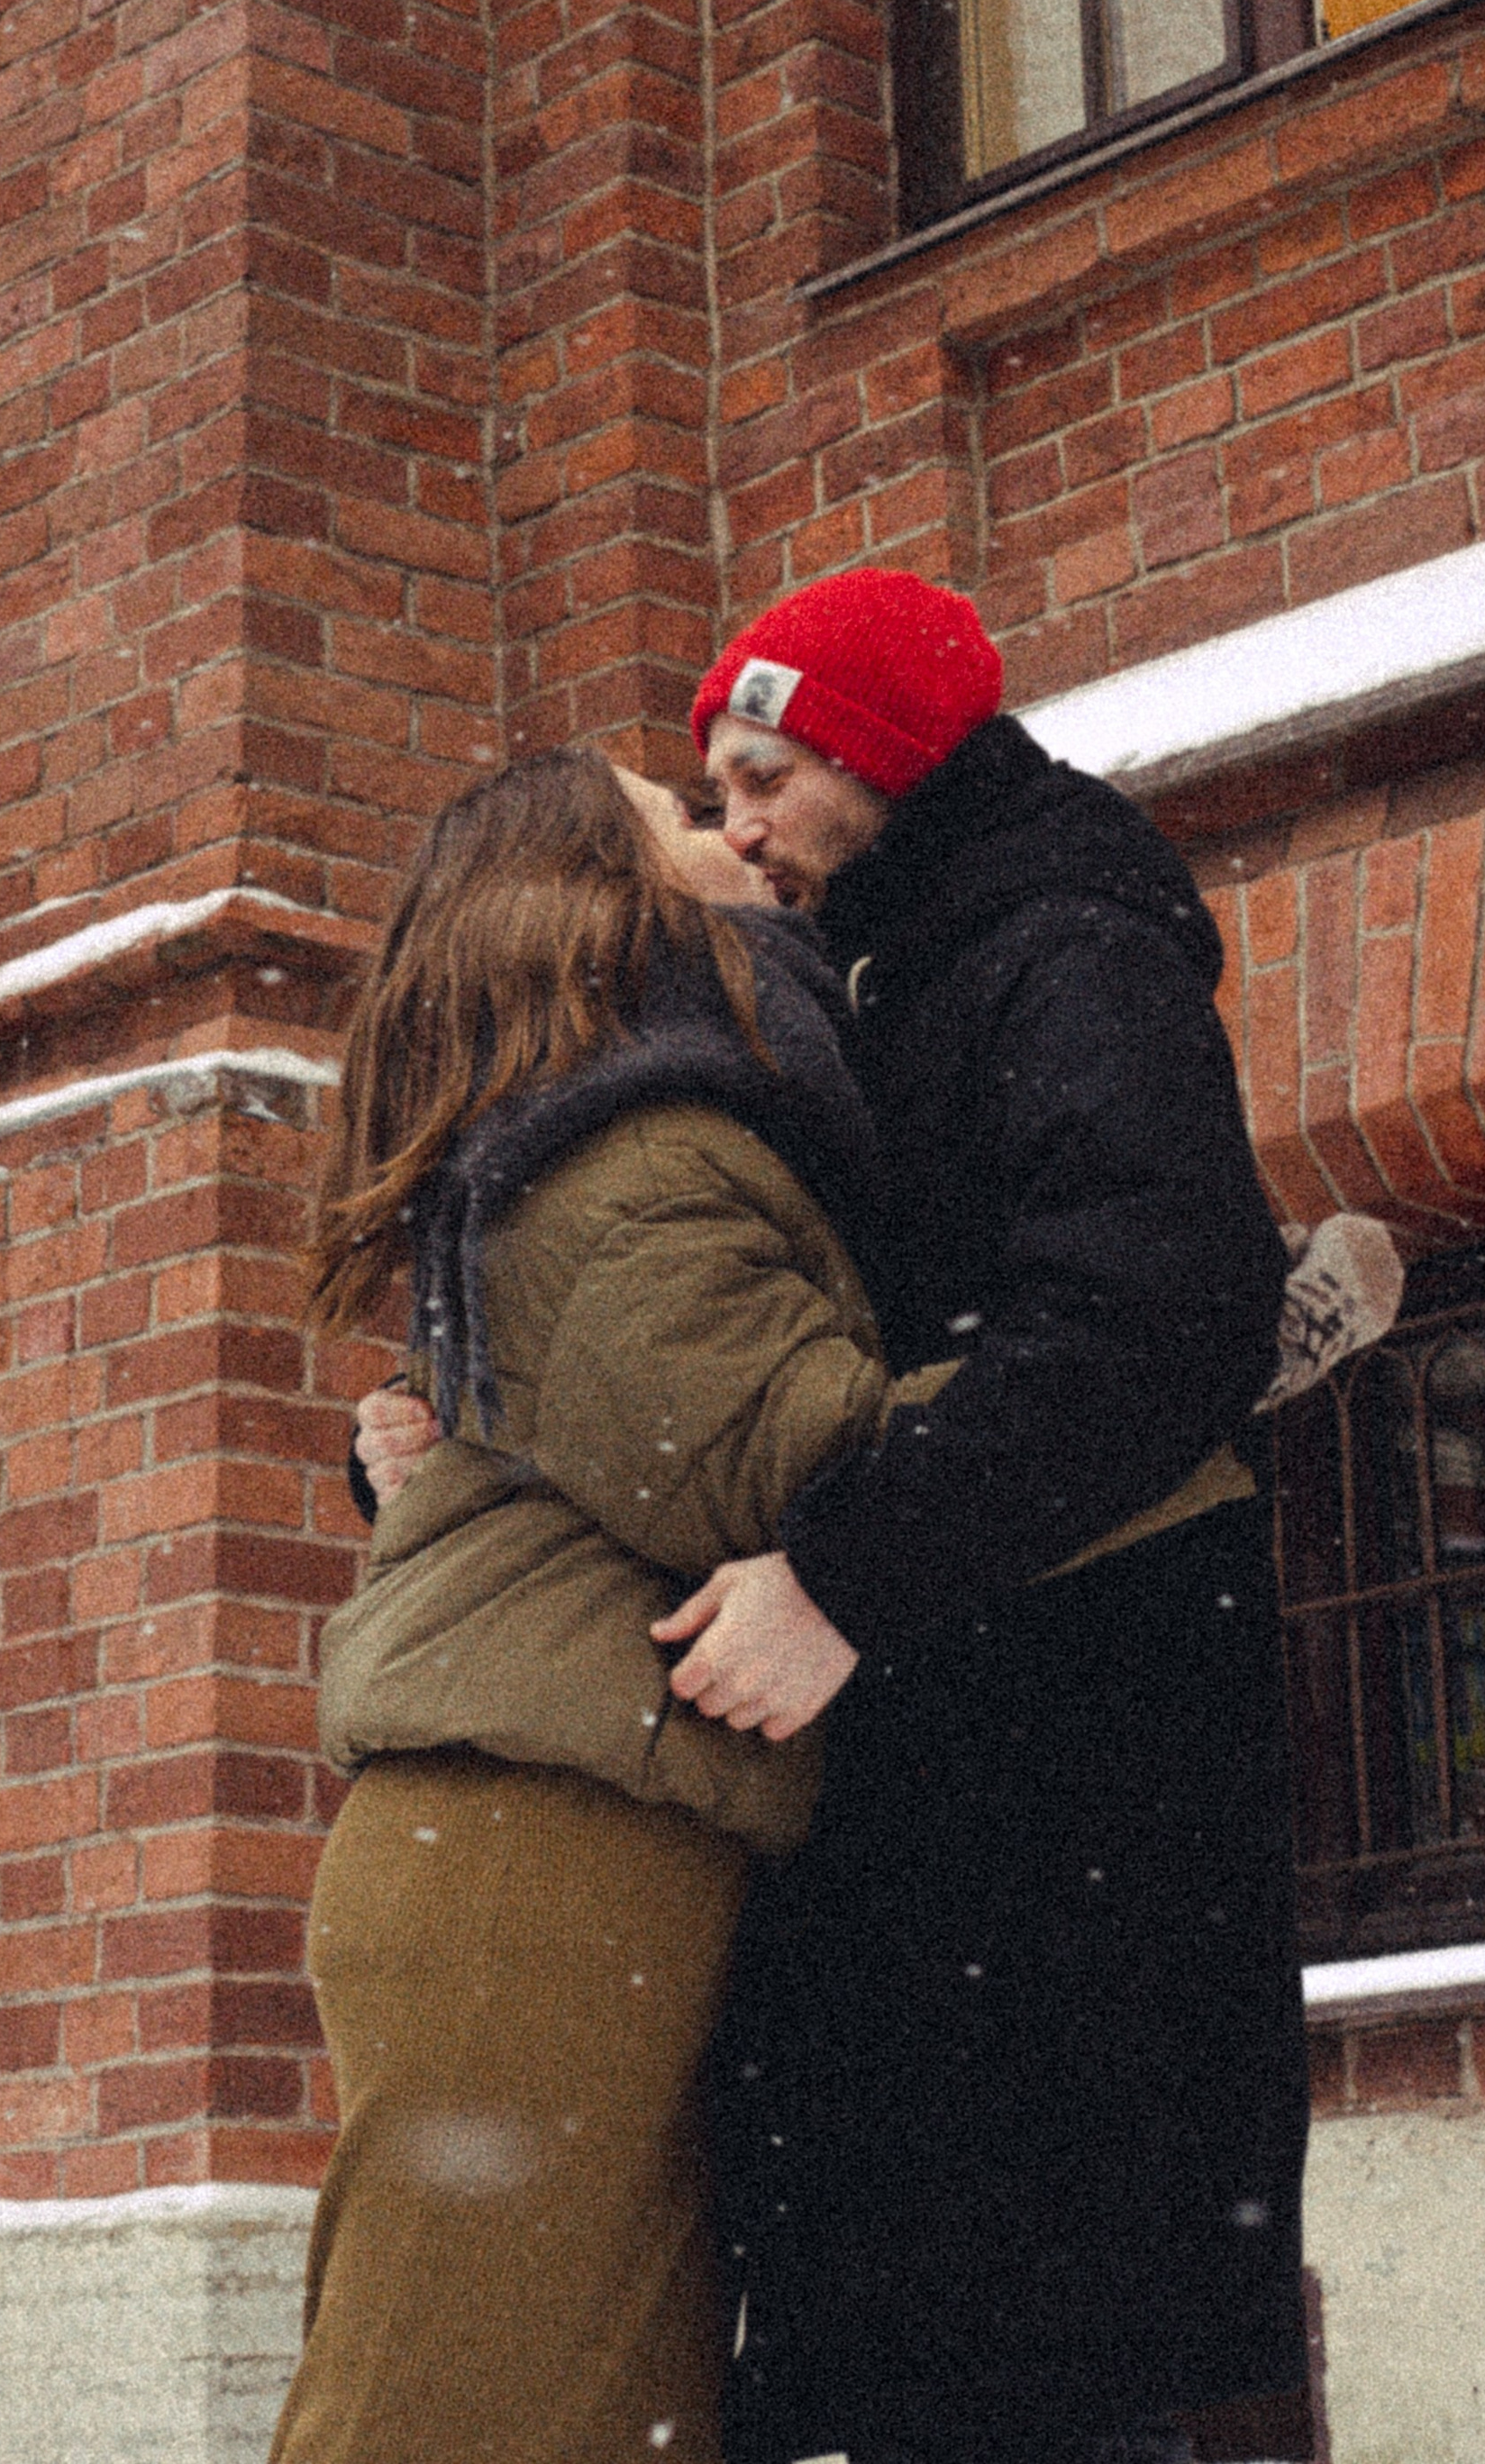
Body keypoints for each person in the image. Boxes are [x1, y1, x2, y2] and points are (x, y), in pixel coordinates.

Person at [670, 569, 1312, 2464]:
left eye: (766, 773)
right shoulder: (911, 960)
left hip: (1069, 1792)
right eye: (717, 789)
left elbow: (1153, 1314)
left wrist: (842, 1582)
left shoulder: (1056, 954)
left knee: (1043, 2364)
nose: (739, 829)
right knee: (975, 2357)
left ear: (880, 756)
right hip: (987, 1788)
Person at [271, 745, 931, 2464]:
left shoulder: (591, 1131)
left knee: (586, 2422)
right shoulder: (624, 1156)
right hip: (535, 1863)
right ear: (601, 890)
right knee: (441, 2418)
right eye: (677, 818)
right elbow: (786, 1462)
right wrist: (1140, 1395)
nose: (730, 838)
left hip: (564, 1844)